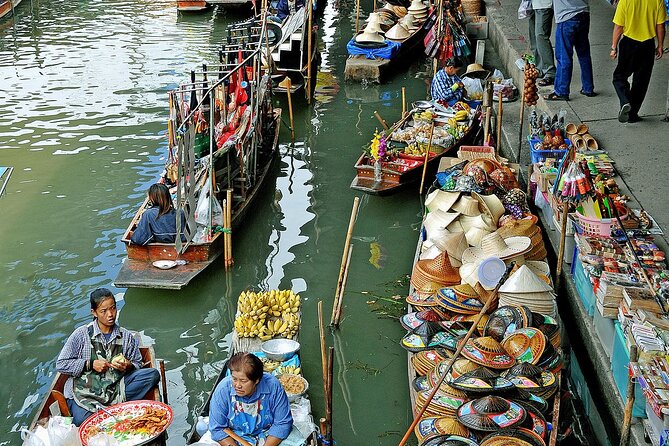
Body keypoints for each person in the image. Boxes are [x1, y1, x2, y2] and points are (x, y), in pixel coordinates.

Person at [56, 288, 161, 426]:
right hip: (86, 392)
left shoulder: (125, 336)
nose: (110, 314)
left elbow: (138, 363)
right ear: (94, 312)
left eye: (113, 308)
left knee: (152, 375)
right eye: (103, 311)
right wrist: (90, 364)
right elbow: (62, 364)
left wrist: (128, 365)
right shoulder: (81, 334)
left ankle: (107, 412)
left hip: (115, 387)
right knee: (82, 421)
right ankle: (117, 411)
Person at [209, 353, 293, 446]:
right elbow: (218, 428)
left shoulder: (273, 386)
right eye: (234, 379)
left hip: (268, 433)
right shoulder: (223, 390)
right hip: (235, 435)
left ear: (256, 380)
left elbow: (282, 423)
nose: (237, 385)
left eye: (243, 381)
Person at [610, 0, 667, 122]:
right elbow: (660, 26)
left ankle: (625, 101)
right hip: (647, 45)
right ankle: (632, 115)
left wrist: (614, 47)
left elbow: (619, 26)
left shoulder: (625, 1)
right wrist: (660, 45)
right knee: (641, 82)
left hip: (629, 44)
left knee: (619, 77)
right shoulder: (658, 1)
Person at [543, 0, 596, 101]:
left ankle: (561, 91)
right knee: (584, 55)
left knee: (564, 56)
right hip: (583, 14)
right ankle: (588, 88)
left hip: (566, 17)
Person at [528, 0, 557, 86]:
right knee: (534, 37)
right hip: (533, 4)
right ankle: (539, 67)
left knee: (541, 36)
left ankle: (550, 71)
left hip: (544, 4)